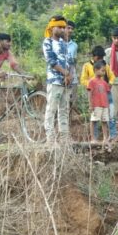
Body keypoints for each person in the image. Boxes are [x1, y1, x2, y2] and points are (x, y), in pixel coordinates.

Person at [42, 15, 72, 143]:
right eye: (59, 27)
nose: (63, 30)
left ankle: (64, 139)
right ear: (52, 27)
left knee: (64, 111)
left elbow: (68, 61)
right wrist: (65, 73)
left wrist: (68, 75)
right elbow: (51, 61)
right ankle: (50, 139)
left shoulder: (64, 43)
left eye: (64, 27)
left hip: (66, 81)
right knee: (51, 110)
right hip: (55, 81)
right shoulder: (47, 42)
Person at [80, 46, 116, 141]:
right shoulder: (87, 66)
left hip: (105, 92)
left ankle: (111, 136)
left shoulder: (105, 65)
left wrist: (110, 84)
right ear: (94, 56)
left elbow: (112, 76)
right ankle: (94, 137)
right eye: (98, 57)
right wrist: (92, 84)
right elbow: (83, 79)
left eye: (101, 57)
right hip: (94, 93)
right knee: (95, 117)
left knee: (109, 114)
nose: (100, 59)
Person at [88, 61, 111, 150]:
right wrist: (90, 105)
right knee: (94, 121)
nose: (103, 72)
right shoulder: (91, 81)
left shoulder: (104, 83)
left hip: (104, 105)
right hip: (96, 105)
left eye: (104, 71)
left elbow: (106, 94)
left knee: (104, 121)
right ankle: (92, 138)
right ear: (96, 70)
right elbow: (89, 94)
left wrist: (108, 106)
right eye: (102, 70)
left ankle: (105, 138)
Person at [65, 21, 80, 117]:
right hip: (61, 74)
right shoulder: (58, 43)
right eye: (68, 28)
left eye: (72, 29)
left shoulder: (74, 45)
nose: (70, 30)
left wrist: (72, 73)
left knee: (72, 100)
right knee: (63, 100)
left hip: (72, 74)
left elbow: (74, 61)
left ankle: (69, 121)